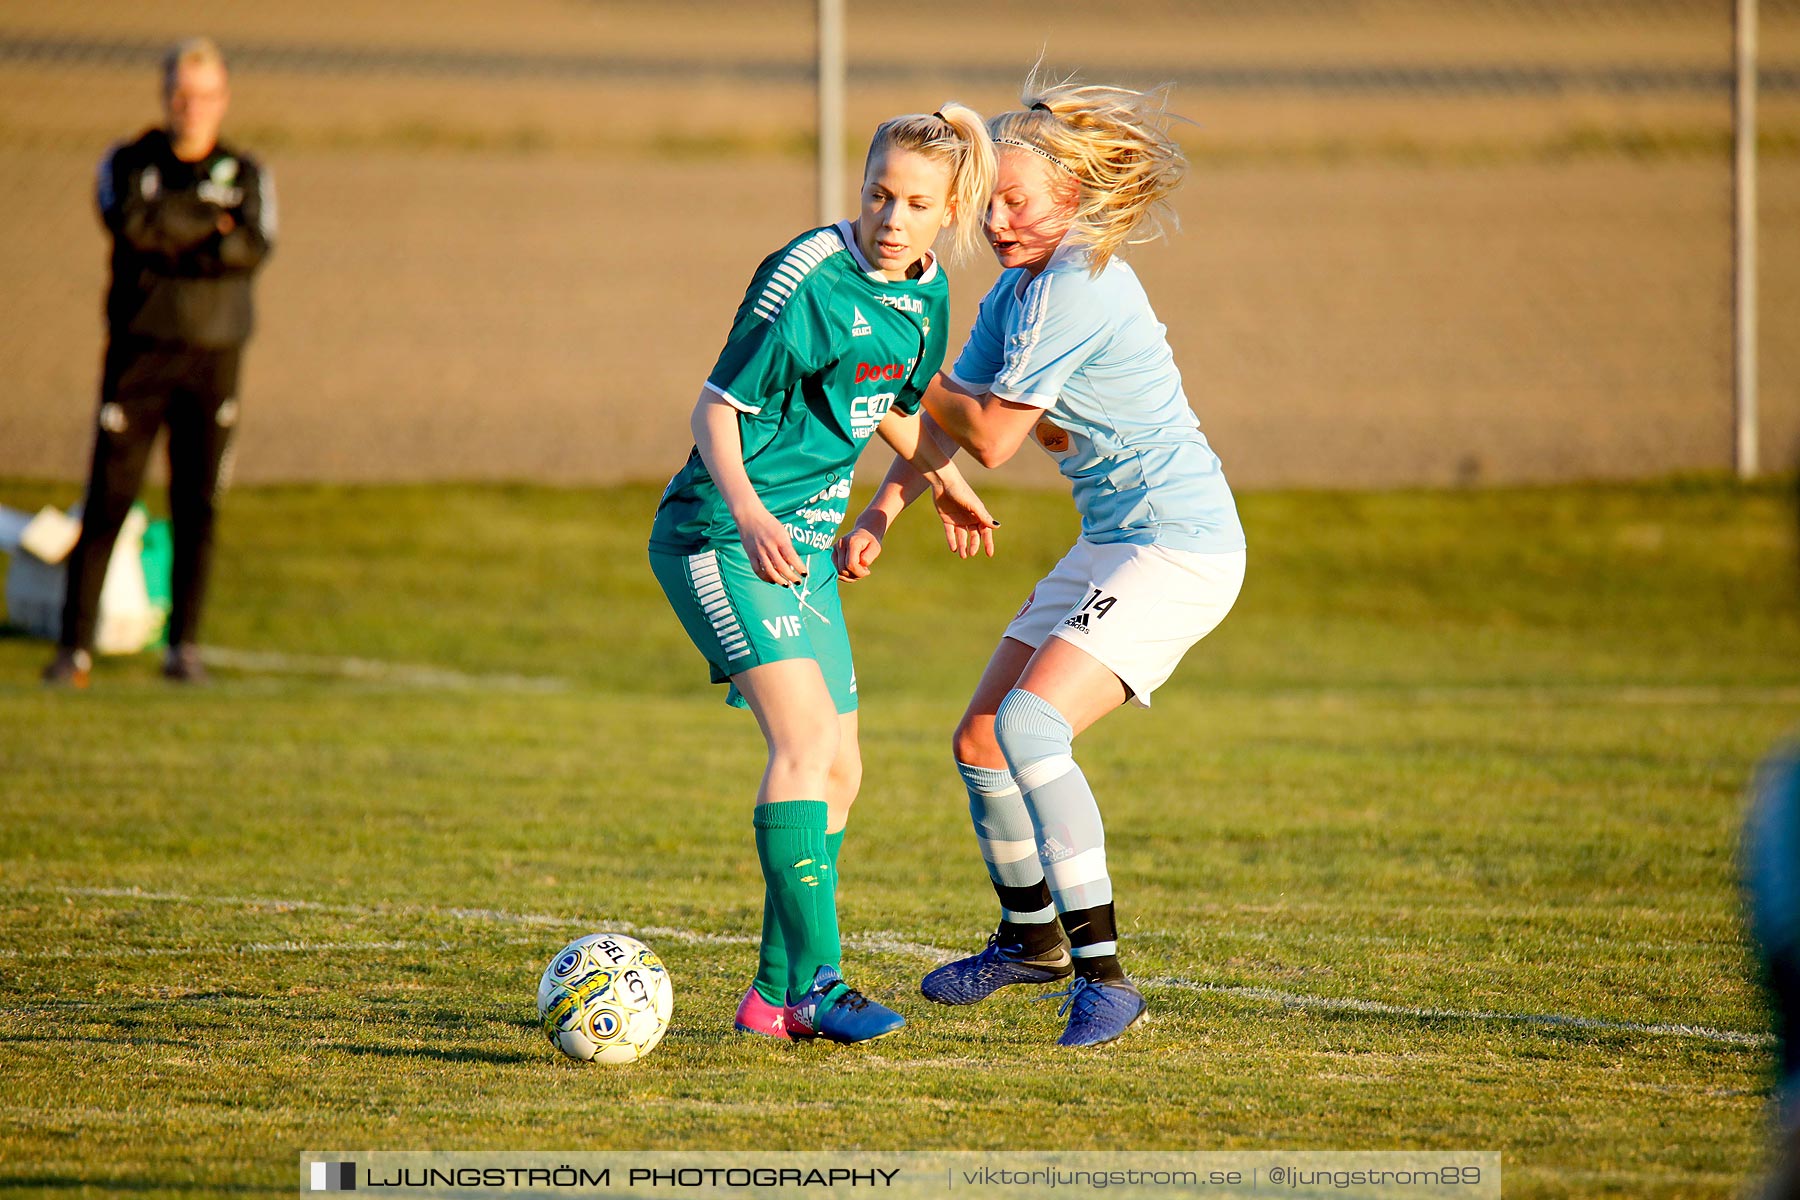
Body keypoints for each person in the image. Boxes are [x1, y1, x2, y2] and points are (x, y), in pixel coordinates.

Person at [836, 78, 1246, 1047]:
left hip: (1179, 546)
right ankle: (1031, 943)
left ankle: (1105, 980)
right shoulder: (1018, 289)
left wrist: (897, 355)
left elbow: (991, 436)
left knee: (1030, 726)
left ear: (1075, 198)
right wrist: (883, 511)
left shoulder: (1081, 283)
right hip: (1113, 540)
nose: (999, 216)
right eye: (992, 200)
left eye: (1018, 200)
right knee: (980, 739)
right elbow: (945, 419)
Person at [648, 105, 997, 1044]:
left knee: (841, 771)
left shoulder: (927, 295)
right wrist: (755, 515)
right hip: (720, 533)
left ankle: (770, 997)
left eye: (916, 202)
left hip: (804, 555)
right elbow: (714, 412)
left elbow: (886, 404)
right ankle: (820, 988)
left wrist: (941, 483)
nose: (891, 216)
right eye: (879, 192)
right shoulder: (806, 275)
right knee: (802, 744)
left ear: (948, 209)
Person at [43, 37, 275, 688]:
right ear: (164, 94)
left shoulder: (248, 172)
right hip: (140, 355)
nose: (191, 106)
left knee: (198, 502)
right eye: (180, 93)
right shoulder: (128, 161)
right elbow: (135, 228)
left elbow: (252, 246)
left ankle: (185, 649)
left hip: (215, 357)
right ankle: (73, 651)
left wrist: (178, 230)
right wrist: (208, 226)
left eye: (203, 95)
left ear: (223, 99)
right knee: (110, 499)